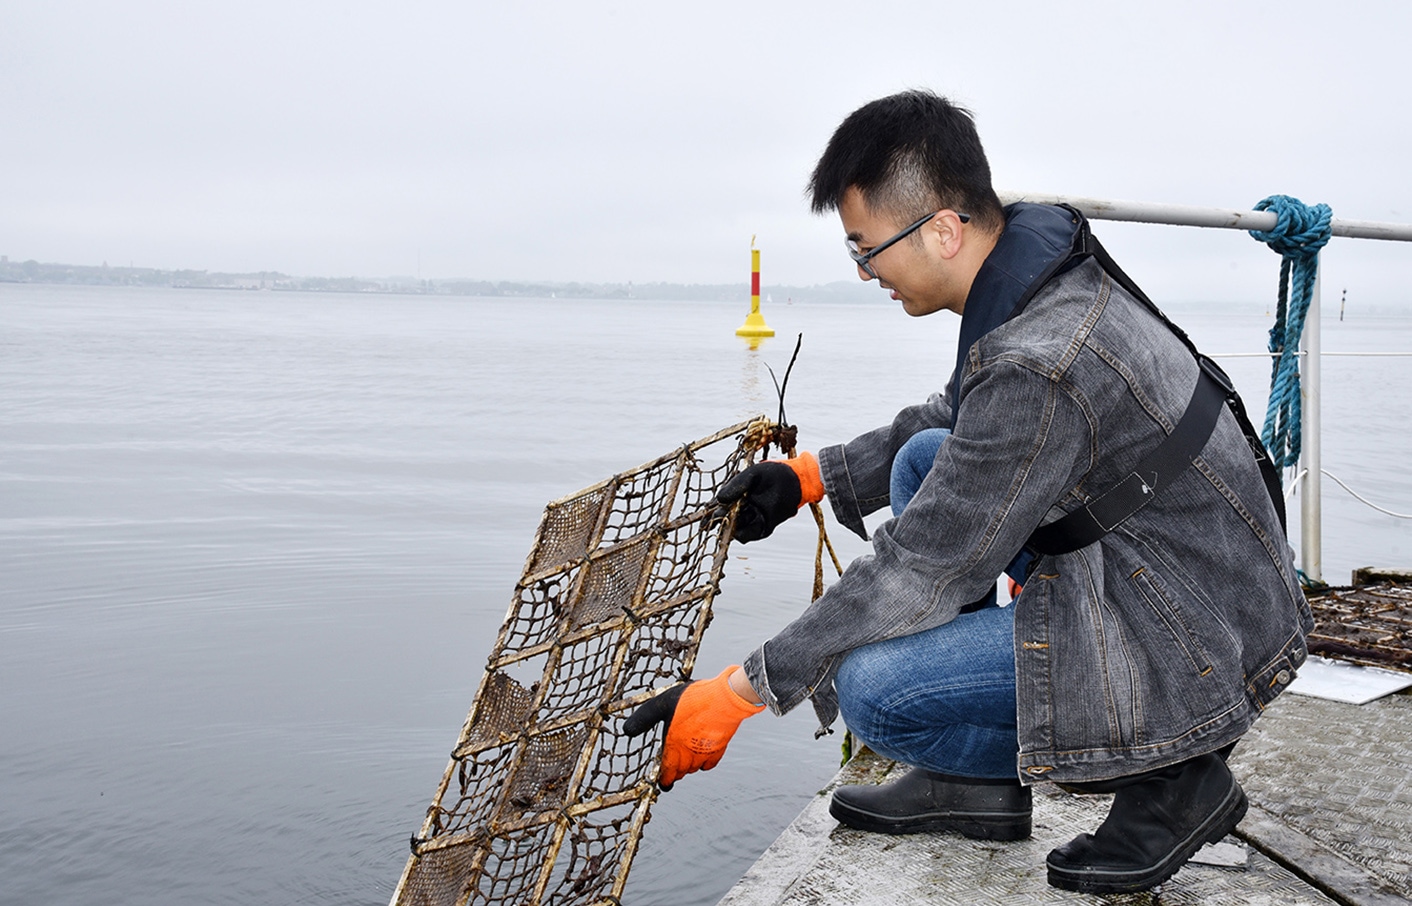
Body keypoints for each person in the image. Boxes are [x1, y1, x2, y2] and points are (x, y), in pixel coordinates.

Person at [624, 90, 1312, 895]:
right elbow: (960, 411)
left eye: (866, 248)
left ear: (942, 229)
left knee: (873, 691)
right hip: (1198, 571)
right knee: (924, 458)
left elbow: (920, 567)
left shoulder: (1038, 360)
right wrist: (813, 476)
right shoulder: (1035, 267)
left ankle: (1172, 775)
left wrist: (738, 691)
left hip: (1191, 637)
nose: (863, 271)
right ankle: (982, 790)